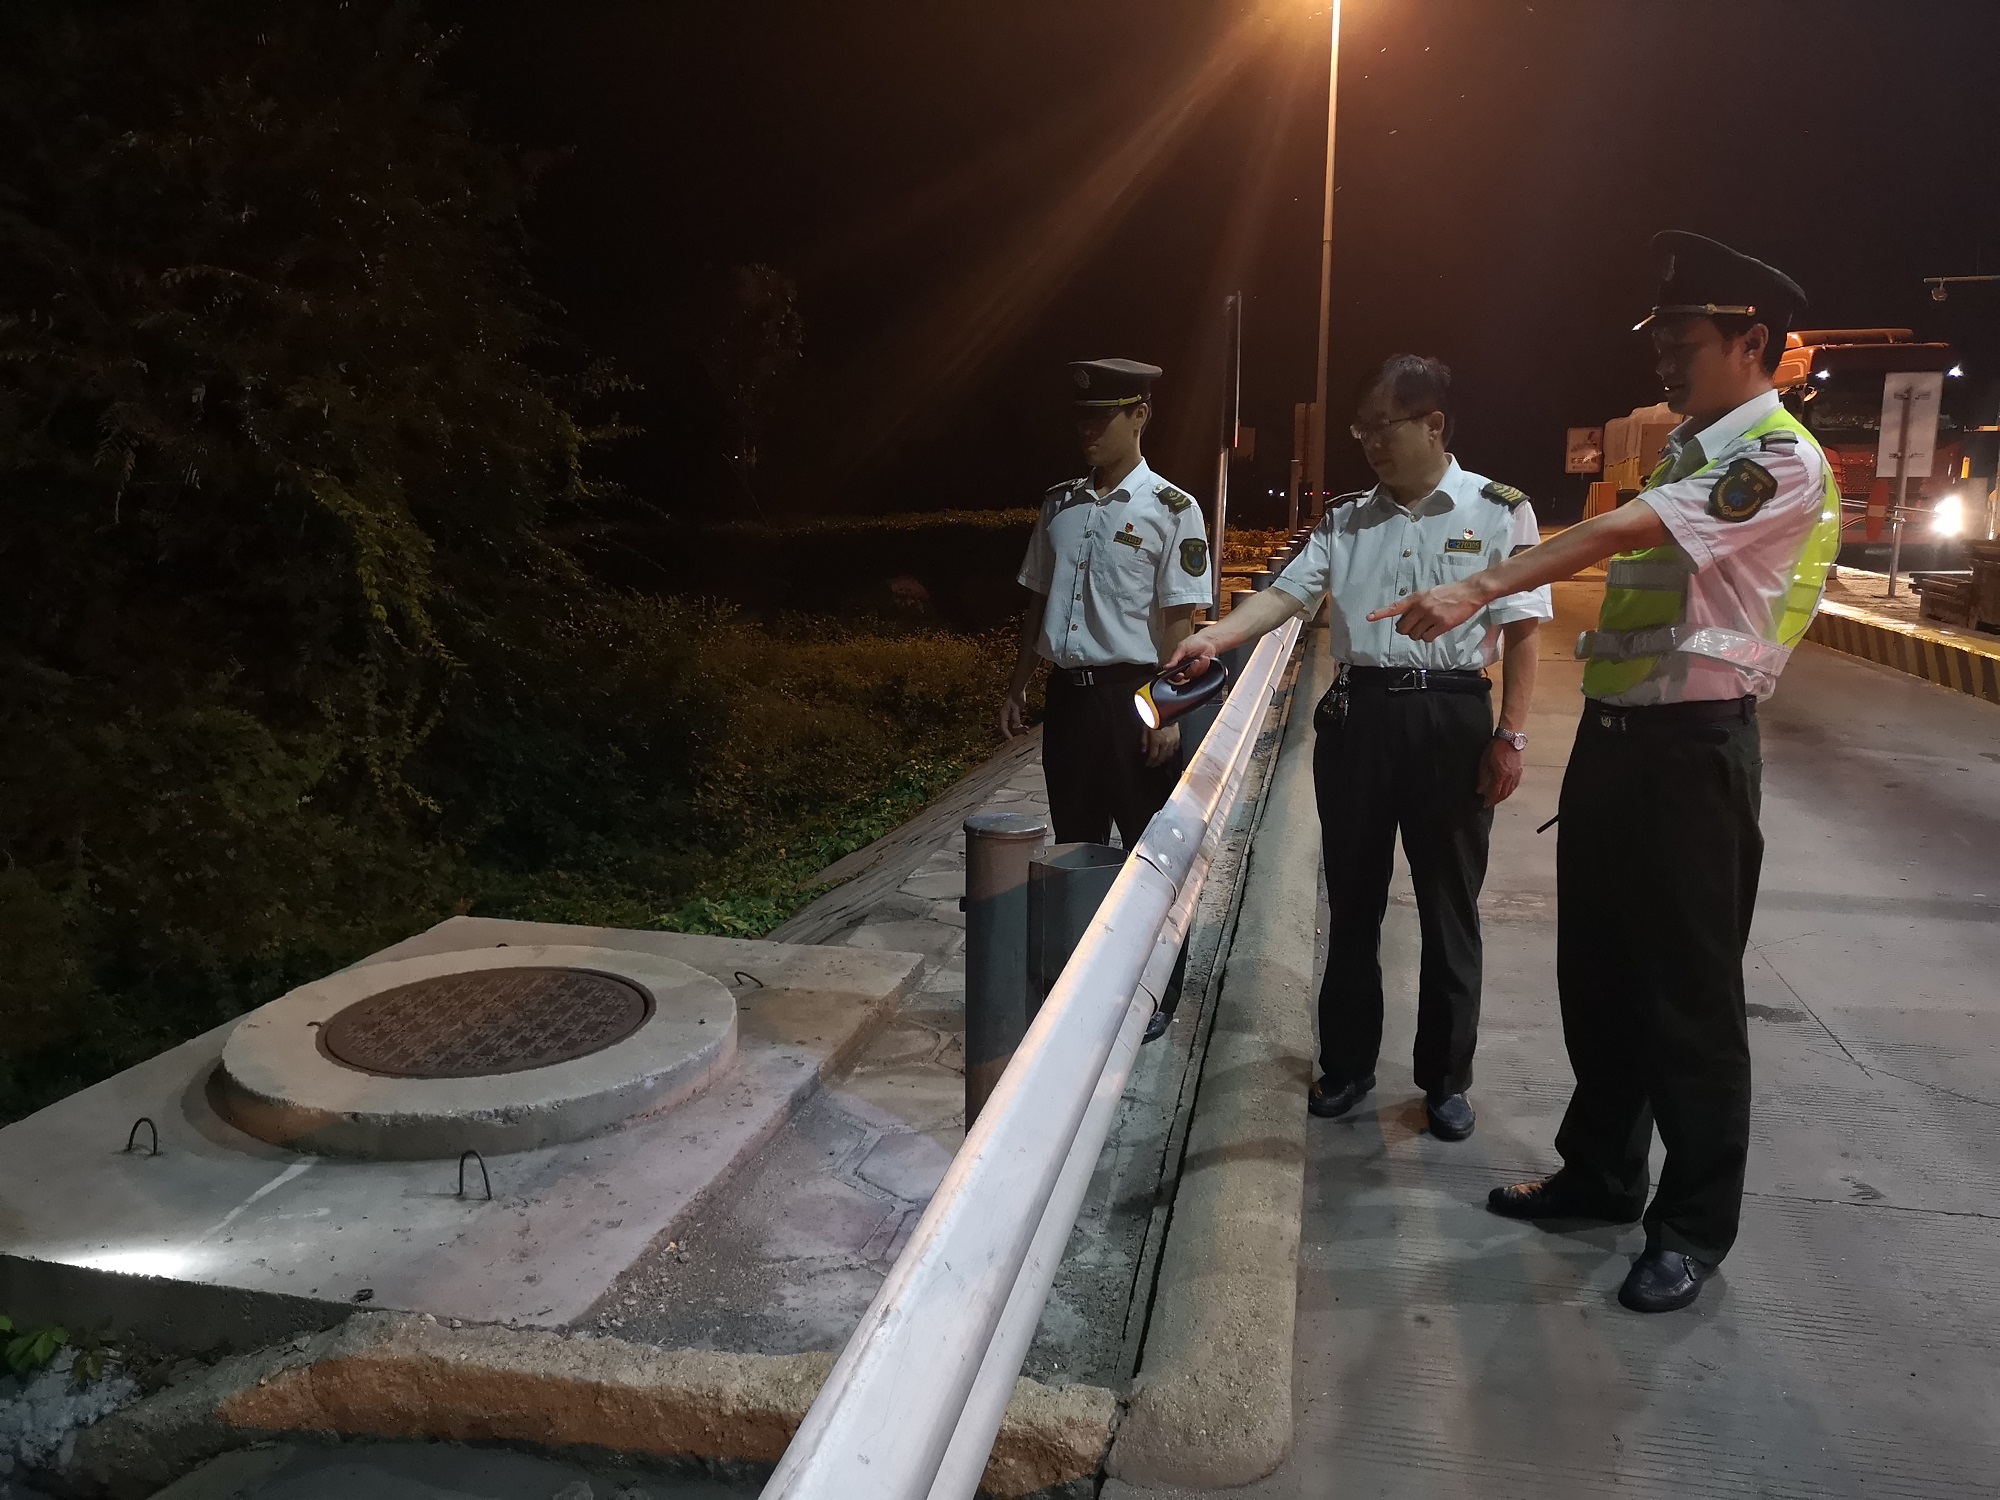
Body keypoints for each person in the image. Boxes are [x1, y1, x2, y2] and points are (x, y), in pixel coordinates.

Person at [1366, 232, 1839, 1312]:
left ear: (1752, 342)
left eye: (1683, 339)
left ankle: (1691, 1228)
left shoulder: (1772, 458)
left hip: (1694, 756)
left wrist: (1479, 586)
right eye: (1659, 338)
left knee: (1689, 1003)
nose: (1663, 357)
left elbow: (1623, 531)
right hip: (1619, 748)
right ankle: (1601, 1176)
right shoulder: (1687, 451)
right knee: (1600, 980)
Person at [1161, 354, 1551, 1141]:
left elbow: (1523, 628)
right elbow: (1286, 594)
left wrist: (1510, 735)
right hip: (1359, 719)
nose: (1370, 443)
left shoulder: (1498, 509)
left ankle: (1446, 1081)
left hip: (1452, 720)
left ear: (1433, 423)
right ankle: (1347, 1065)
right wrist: (1215, 637)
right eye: (1361, 429)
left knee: (1449, 911)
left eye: (1384, 426)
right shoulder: (1346, 520)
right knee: (1353, 906)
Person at [1001, 358, 1213, 1041]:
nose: (1088, 431)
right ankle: (1083, 982)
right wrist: (1019, 683)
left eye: (1103, 418)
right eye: (1081, 419)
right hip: (1070, 702)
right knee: (1077, 848)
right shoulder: (1059, 505)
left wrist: (1168, 710)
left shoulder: (1172, 510)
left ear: (1140, 415)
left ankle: (1155, 990)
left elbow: (1180, 621)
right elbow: (1037, 603)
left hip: (1135, 698)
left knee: (1150, 854)